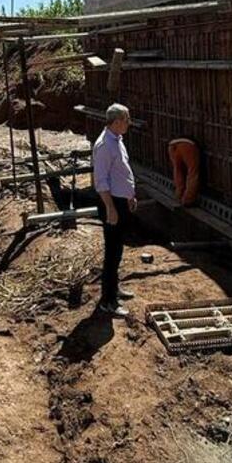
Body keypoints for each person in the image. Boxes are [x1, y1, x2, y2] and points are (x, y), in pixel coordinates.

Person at [92, 103, 137, 317]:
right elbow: (101, 181)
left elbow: (122, 173)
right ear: (117, 121)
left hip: (121, 201)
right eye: (126, 119)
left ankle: (114, 289)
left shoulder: (116, 141)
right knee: (112, 252)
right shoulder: (104, 146)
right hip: (111, 203)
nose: (129, 123)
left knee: (118, 249)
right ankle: (108, 300)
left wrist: (130, 196)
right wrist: (110, 207)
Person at [168, 137, 200, 206]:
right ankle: (188, 199)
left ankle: (179, 194)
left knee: (177, 170)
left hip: (172, 145)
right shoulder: (193, 146)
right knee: (192, 172)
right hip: (188, 145)